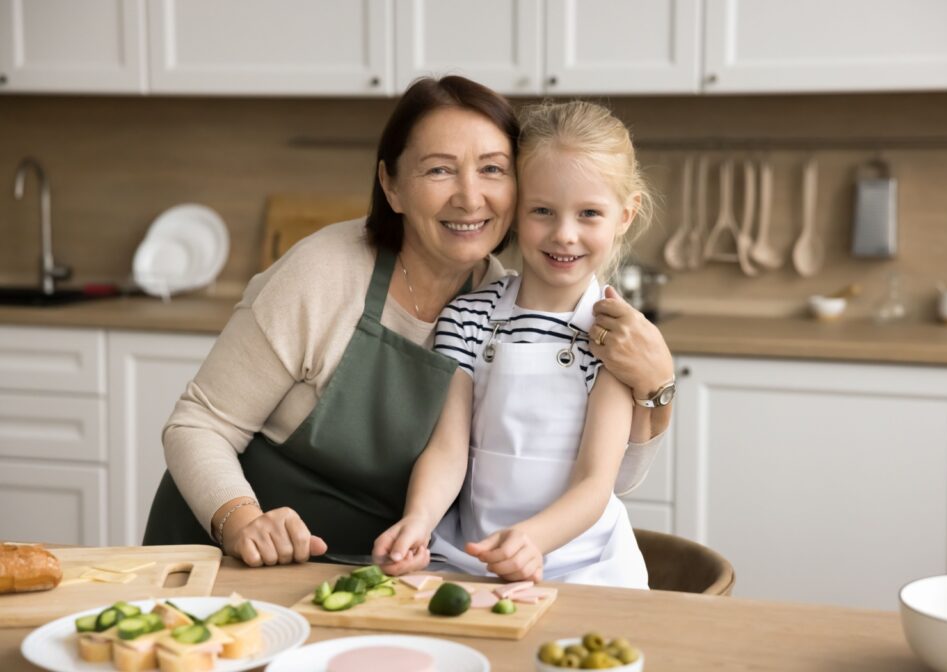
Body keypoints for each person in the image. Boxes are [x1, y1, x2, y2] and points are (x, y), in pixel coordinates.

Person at [143, 76, 675, 568]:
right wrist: (242, 521)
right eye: (439, 169)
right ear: (392, 185)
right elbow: (198, 425)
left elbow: (605, 479)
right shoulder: (325, 273)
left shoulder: (495, 297)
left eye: (492, 168)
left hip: (378, 567)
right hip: (236, 553)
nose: (469, 197)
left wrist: (656, 386)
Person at [373, 101, 657, 588]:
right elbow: (448, 451)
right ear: (515, 208)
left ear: (624, 216)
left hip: (585, 567)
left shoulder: (613, 337)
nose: (564, 235)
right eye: (542, 211)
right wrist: (418, 520)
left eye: (589, 213)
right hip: (475, 558)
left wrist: (532, 539)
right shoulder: (466, 318)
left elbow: (595, 484)